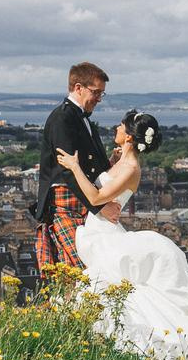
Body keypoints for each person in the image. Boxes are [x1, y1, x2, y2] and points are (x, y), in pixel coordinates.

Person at [56, 110, 188, 360]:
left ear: (129, 136)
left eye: (121, 126)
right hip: (99, 229)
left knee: (116, 288)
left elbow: (96, 199)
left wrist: (74, 167)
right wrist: (110, 161)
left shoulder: (131, 168)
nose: (116, 128)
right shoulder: (120, 161)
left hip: (103, 234)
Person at [32, 62, 121, 272]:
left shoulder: (81, 119)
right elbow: (68, 170)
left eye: (102, 94)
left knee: (89, 267)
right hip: (68, 202)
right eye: (96, 92)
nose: (99, 99)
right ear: (78, 87)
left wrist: (110, 163)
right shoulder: (62, 118)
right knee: (84, 269)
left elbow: (88, 165)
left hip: (83, 201)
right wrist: (100, 207)